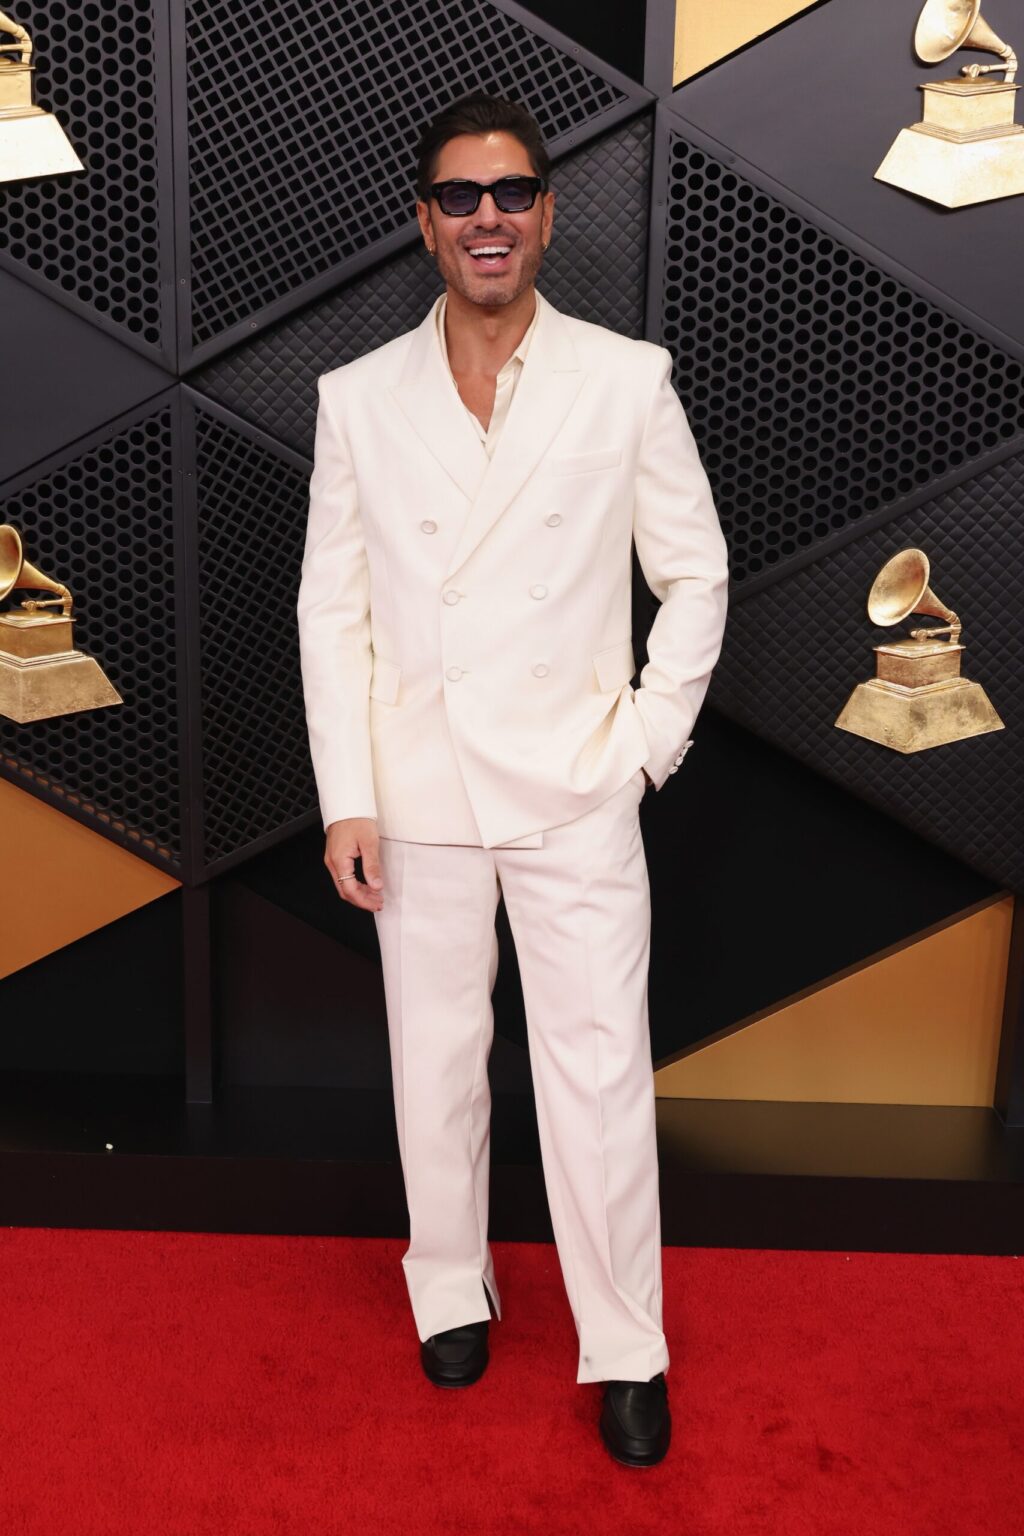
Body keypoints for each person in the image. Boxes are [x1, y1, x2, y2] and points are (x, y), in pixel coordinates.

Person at [296, 90, 728, 1466]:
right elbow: (331, 612)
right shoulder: (356, 400)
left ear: (546, 213)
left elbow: (697, 572)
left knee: (600, 1077)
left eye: (515, 193)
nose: (491, 216)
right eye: (463, 197)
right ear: (426, 222)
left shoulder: (626, 377)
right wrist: (347, 797)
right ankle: (449, 1286)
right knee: (436, 1064)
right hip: (416, 793)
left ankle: (629, 1345)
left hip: (575, 785)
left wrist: (646, 746)